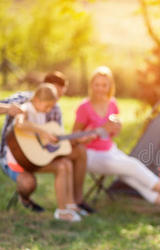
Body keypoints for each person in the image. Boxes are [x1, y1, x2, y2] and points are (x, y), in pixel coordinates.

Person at [73, 66, 160, 214]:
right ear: (91, 86)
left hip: (110, 150)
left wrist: (115, 128)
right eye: (97, 85)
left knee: (130, 177)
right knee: (133, 166)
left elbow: (113, 131)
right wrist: (94, 133)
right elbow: (74, 137)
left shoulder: (112, 103)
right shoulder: (84, 107)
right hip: (90, 155)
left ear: (110, 87)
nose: (100, 89)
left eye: (104, 85)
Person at [0, 71, 93, 214]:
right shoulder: (26, 103)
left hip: (37, 154)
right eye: (53, 93)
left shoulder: (50, 108)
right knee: (28, 183)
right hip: (15, 156)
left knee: (71, 158)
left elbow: (55, 137)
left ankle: (72, 204)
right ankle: (44, 205)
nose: (53, 105)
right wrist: (9, 109)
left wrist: (73, 140)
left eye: (58, 96)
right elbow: (21, 123)